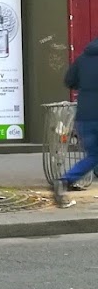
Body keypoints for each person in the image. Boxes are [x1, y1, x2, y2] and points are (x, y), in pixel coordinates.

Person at [56, 38, 98, 206]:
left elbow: (69, 81)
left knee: (94, 155)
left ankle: (65, 181)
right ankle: (65, 180)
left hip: (85, 116)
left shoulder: (82, 58)